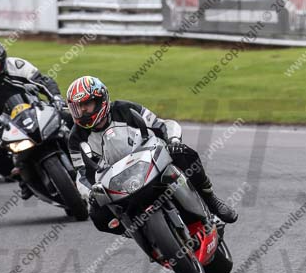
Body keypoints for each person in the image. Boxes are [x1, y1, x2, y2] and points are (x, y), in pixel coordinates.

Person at [66, 75, 238, 235]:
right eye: (77, 107)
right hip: (116, 184)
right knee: (97, 216)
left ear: (100, 100)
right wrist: (89, 194)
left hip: (150, 162)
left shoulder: (125, 109)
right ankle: (142, 234)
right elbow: (81, 174)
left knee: (184, 153)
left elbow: (164, 125)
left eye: (86, 105)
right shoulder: (75, 138)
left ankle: (211, 201)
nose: (82, 111)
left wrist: (174, 141)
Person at [0, 39, 70, 192]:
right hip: (7, 124)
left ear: (2, 59)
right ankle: (22, 177)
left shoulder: (16, 65)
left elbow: (43, 81)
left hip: (35, 109)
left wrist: (55, 97)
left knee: (71, 118)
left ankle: (87, 152)